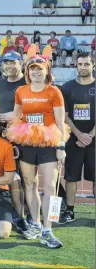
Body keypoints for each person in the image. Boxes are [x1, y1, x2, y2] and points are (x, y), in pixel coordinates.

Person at [6, 56, 68, 249]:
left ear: (46, 71)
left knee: (50, 186)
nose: (35, 72)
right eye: (32, 69)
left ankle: (48, 230)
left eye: (39, 69)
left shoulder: (54, 92)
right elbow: (16, 116)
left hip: (49, 142)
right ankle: (36, 223)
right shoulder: (21, 90)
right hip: (26, 141)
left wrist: (61, 146)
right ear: (28, 72)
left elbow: (60, 122)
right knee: (30, 184)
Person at [0, 52, 32, 236]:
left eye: (12, 63)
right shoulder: (0, 83)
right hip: (4, 136)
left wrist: (15, 117)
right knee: (10, 175)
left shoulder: (27, 83)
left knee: (26, 177)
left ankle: (28, 214)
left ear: (21, 63)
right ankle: (17, 213)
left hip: (25, 136)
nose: (8, 66)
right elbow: (0, 106)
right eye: (6, 63)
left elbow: (35, 109)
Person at [60, 53, 95, 223]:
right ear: (76, 65)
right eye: (80, 64)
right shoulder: (67, 87)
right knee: (71, 177)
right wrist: (79, 134)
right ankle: (70, 210)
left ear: (93, 65)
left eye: (86, 64)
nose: (83, 67)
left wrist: (90, 135)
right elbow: (65, 116)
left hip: (94, 140)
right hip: (73, 140)